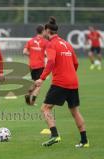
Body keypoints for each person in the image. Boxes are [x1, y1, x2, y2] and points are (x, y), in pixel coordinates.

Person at [35, 17, 89, 148]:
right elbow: (75, 63)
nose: (43, 34)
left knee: (45, 108)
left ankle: (54, 135)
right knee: (75, 111)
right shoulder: (67, 43)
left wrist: (41, 78)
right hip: (73, 82)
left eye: (44, 32)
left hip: (60, 82)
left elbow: (51, 62)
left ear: (48, 31)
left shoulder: (51, 44)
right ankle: (84, 141)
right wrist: (70, 73)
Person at [23, 24, 48, 105]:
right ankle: (32, 101)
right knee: (39, 85)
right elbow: (47, 53)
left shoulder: (30, 41)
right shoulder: (45, 42)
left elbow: (24, 52)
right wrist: (43, 55)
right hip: (40, 65)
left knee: (35, 82)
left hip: (32, 65)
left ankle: (28, 93)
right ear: (43, 31)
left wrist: (32, 54)